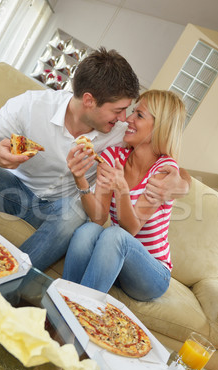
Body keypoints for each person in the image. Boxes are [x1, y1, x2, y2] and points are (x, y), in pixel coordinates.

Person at [0, 48, 190, 270]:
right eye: (118, 110)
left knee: (77, 213)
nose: (124, 119)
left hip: (55, 211)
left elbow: (162, 153)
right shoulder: (32, 106)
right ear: (89, 100)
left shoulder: (120, 133)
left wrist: (181, 182)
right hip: (10, 189)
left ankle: (3, 282)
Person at [62, 90, 188, 301]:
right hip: (115, 259)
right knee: (88, 231)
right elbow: (99, 217)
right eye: (133, 112)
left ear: (159, 127)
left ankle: (77, 317)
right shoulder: (113, 156)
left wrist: (121, 189)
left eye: (139, 115)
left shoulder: (165, 170)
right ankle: (58, 306)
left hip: (151, 273)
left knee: (115, 235)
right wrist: (80, 179)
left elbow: (131, 228)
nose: (128, 119)